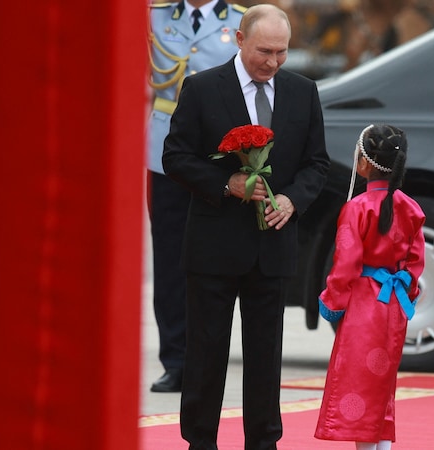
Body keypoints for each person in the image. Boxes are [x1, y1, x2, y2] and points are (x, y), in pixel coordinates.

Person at [162, 4, 330, 448]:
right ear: (240, 41)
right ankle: (200, 440)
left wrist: (293, 200)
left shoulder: (302, 91)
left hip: (272, 244)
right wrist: (227, 184)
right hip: (214, 244)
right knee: (206, 353)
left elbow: (317, 164)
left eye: (282, 52)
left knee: (264, 356)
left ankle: (263, 441)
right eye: (264, 51)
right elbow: (175, 158)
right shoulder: (200, 89)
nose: (273, 62)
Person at [147, 0, 247, 393]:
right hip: (162, 153)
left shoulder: (241, 21)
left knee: (214, 259)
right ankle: (175, 359)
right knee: (169, 259)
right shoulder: (154, 16)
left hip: (217, 156)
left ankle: (207, 361)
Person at [314, 124, 425, 450]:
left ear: (363, 164)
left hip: (365, 302)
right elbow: (416, 261)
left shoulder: (357, 208)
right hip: (393, 304)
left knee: (357, 383)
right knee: (382, 384)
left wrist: (332, 300)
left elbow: (345, 263)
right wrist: (409, 293)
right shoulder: (410, 207)